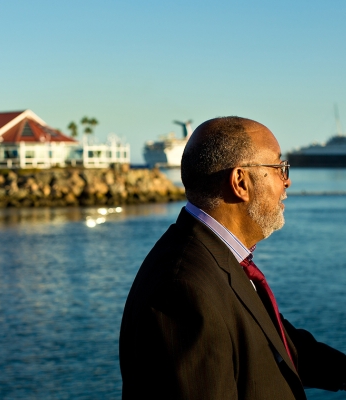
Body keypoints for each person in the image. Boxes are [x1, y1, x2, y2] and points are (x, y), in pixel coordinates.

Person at [119, 117, 346, 399]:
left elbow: (280, 344)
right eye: (278, 167)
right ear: (240, 182)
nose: (287, 181)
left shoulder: (219, 257)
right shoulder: (182, 289)